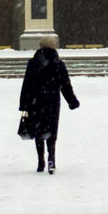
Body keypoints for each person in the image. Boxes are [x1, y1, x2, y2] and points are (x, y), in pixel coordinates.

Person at [19, 34, 80, 174]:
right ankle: (51, 158)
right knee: (51, 130)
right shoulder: (58, 64)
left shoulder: (33, 63)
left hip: (36, 102)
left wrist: (24, 103)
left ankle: (41, 160)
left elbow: (26, 84)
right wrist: (72, 101)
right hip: (52, 102)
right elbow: (65, 85)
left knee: (38, 130)